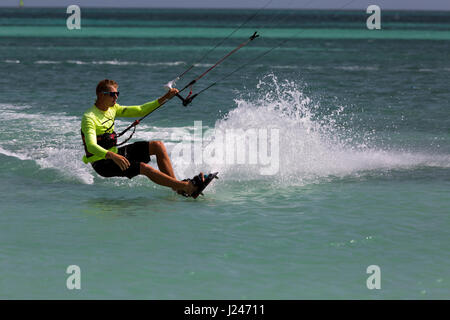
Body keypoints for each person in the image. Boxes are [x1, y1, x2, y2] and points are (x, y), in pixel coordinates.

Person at [81, 79, 202, 196]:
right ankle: (185, 186)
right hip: (102, 163)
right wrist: (113, 156)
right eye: (112, 94)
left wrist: (165, 97)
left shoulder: (112, 108)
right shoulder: (89, 117)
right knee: (143, 168)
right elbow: (91, 147)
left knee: (157, 146)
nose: (116, 97)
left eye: (117, 94)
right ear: (101, 95)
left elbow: (140, 110)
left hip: (115, 154)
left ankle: (178, 187)